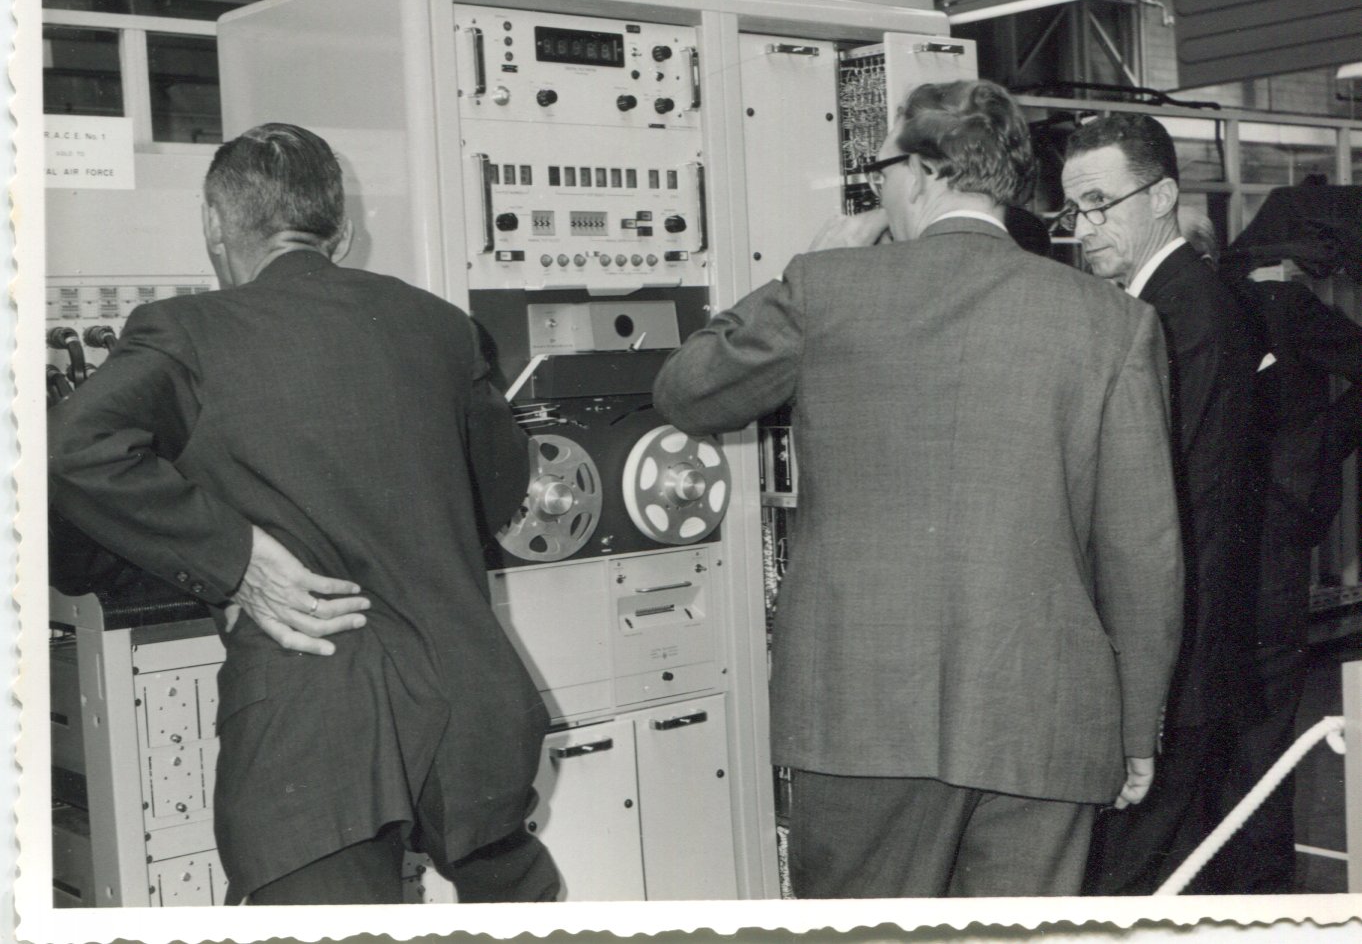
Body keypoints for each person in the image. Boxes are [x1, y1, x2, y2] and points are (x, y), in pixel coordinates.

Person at [654, 80, 1184, 898]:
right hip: (1045, 719)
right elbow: (1144, 551)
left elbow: (686, 388)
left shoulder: (827, 288)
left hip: (864, 723)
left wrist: (813, 259)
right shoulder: (1112, 320)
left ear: (926, 171)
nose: (880, 192)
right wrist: (1136, 724)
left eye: (883, 170)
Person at [48, 123, 559, 905]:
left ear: (214, 226)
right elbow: (498, 486)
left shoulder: (184, 330)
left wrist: (238, 558)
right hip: (470, 708)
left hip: (314, 724)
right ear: (342, 233)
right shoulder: (442, 325)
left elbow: (71, 451)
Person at [1065, 113, 1262, 895]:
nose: (1082, 229)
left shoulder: (1178, 315)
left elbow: (1158, 504)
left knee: (1135, 879)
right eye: (1073, 209)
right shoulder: (1173, 303)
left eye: (1100, 204)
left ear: (1162, 197)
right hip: (1186, 652)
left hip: (1176, 659)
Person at [1183, 214, 1362, 892]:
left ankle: (1259, 902)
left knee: (1256, 733)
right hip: (1186, 559)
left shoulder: (1278, 307)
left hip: (1262, 554)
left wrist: (1311, 454)